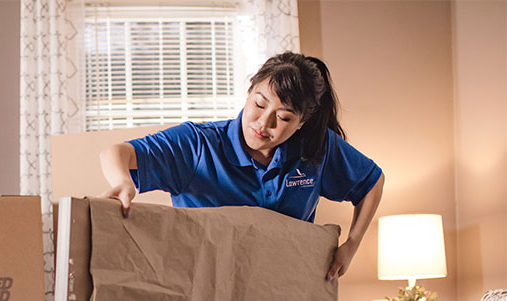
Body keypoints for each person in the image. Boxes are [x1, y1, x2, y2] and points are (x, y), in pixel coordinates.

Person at [99, 52, 384, 281]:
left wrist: (352, 245)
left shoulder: (316, 147)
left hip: (286, 291)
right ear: (249, 94)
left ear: (301, 123)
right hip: (205, 291)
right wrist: (124, 182)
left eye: (283, 118)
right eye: (259, 104)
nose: (264, 123)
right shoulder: (199, 145)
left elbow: (371, 182)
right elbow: (117, 152)